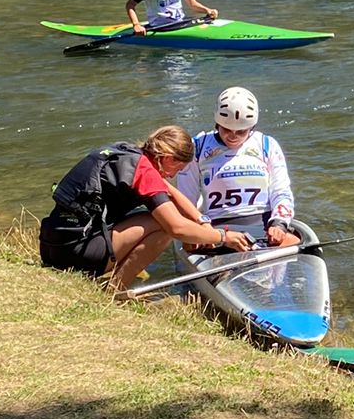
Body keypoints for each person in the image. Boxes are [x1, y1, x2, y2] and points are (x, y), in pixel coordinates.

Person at [39, 125, 253, 293]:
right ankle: (115, 292)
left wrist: (202, 221)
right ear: (168, 158)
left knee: (161, 217)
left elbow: (171, 192)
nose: (173, 175)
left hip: (52, 246)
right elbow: (176, 228)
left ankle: (114, 279)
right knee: (163, 226)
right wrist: (222, 237)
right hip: (74, 255)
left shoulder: (130, 155)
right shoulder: (145, 173)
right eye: (177, 169)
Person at [174, 87, 302, 250]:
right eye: (226, 129)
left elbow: (281, 191)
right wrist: (194, 231)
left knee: (297, 242)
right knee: (191, 245)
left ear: (252, 127)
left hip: (262, 228)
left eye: (241, 132)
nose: (233, 136)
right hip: (216, 230)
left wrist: (279, 224)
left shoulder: (267, 145)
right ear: (217, 123)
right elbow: (186, 197)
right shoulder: (197, 147)